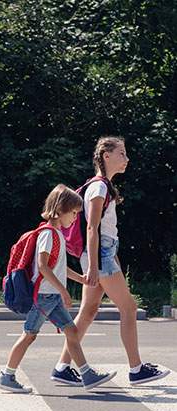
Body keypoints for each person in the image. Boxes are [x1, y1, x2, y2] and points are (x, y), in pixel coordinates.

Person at [52, 136, 170, 386]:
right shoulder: (99, 187)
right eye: (122, 154)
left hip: (102, 255)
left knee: (88, 311)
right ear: (106, 156)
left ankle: (62, 367)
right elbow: (92, 229)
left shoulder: (103, 187)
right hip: (99, 256)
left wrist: (107, 259)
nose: (126, 159)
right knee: (128, 309)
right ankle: (137, 369)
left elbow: (104, 232)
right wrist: (95, 266)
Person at [0, 184, 117, 393]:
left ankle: (87, 374)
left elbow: (58, 268)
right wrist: (63, 291)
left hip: (50, 296)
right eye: (73, 213)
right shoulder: (48, 234)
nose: (74, 218)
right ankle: (7, 376)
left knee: (71, 331)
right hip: (44, 296)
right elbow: (43, 267)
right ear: (60, 210)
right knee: (29, 335)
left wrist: (80, 279)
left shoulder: (57, 234)